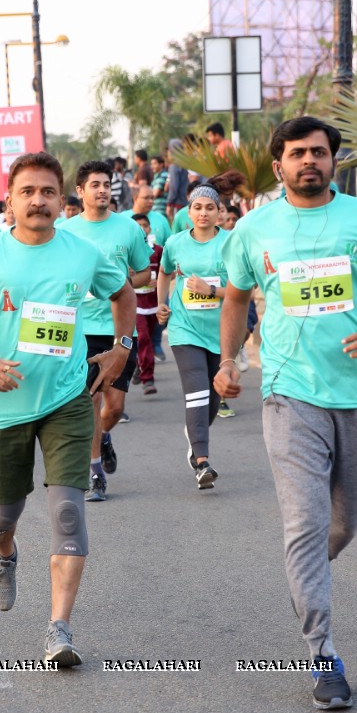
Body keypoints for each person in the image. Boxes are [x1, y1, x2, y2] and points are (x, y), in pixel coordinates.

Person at [214, 117, 357, 710]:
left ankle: (308, 576)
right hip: (288, 393)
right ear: (278, 164)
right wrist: (230, 361)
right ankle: (323, 653)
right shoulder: (254, 229)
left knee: (342, 526)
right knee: (304, 524)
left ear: (334, 161)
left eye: (320, 153)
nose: (310, 161)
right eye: (299, 153)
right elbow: (234, 297)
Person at [0, 151, 135, 666]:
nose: (37, 200)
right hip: (2, 406)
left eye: (47, 191)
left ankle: (59, 629)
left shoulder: (82, 253)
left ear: (61, 200)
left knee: (67, 511)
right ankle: (5, 555)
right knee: (3, 515)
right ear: (11, 202)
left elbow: (124, 293)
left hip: (67, 400)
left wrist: (122, 348)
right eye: (27, 192)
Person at [62, 160, 149, 502]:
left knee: (112, 408)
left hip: (119, 329)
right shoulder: (65, 231)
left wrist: (122, 286)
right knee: (90, 400)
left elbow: (144, 275)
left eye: (106, 184)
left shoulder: (127, 228)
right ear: (81, 192)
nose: (102, 190)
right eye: (94, 185)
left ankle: (105, 436)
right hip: (80, 328)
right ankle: (95, 471)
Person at [156, 184, 229, 489]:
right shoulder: (175, 243)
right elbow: (164, 272)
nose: (203, 213)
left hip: (221, 329)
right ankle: (202, 462)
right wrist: (162, 303)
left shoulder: (231, 243)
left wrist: (211, 290)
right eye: (197, 207)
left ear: (219, 213)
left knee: (212, 399)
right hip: (185, 329)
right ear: (188, 211)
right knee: (197, 390)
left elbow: (245, 292)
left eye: (209, 208)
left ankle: (195, 431)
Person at [128, 212, 161, 394]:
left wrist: (161, 280)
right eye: (137, 226)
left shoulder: (157, 250)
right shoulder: (126, 251)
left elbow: (168, 272)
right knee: (144, 338)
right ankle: (148, 379)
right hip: (135, 305)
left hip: (154, 305)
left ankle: (138, 366)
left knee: (147, 340)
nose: (142, 229)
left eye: (145, 225)